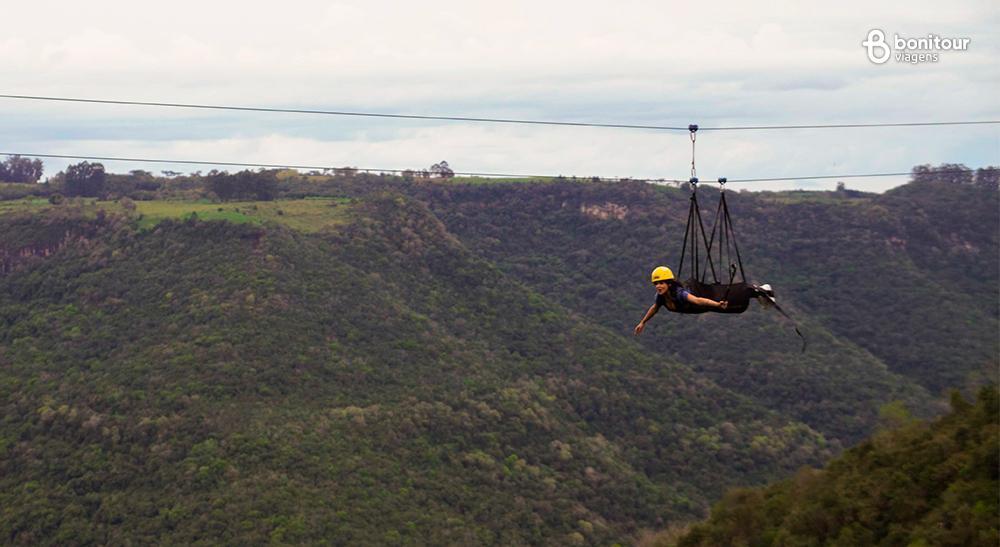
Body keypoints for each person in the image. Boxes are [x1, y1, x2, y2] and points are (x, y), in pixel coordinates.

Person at [634, 266, 728, 335]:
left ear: (669, 284)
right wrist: (642, 322)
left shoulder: (679, 293)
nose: (658, 286)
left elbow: (697, 300)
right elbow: (654, 308)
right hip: (689, 307)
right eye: (656, 284)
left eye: (661, 283)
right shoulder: (660, 297)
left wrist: (717, 305)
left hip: (698, 299)